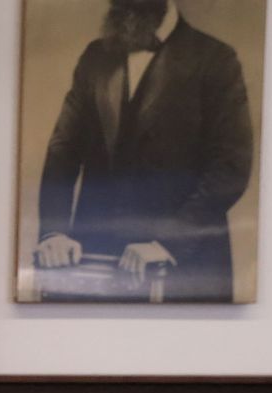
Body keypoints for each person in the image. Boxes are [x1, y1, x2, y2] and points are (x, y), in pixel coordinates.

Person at [32, 0, 254, 302]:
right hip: (95, 262)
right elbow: (63, 150)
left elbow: (230, 169)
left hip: (184, 268)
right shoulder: (95, 57)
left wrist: (166, 243)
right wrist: (54, 233)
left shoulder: (216, 59)